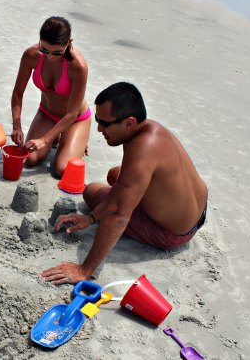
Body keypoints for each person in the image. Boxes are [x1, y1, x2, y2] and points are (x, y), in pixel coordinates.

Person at [41, 82, 208, 285]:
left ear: (129, 122)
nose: (99, 128)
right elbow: (120, 185)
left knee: (92, 191)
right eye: (97, 119)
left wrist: (84, 270)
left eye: (104, 123)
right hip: (196, 212)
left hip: (173, 233)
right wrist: (92, 218)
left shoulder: (142, 149)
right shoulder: (149, 130)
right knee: (115, 175)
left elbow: (119, 215)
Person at [10, 16, 91, 177]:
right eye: (45, 50)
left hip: (74, 119)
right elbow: (18, 93)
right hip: (47, 113)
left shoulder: (78, 66)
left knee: (62, 169)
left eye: (57, 52)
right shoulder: (31, 55)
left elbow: (72, 113)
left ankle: (75, 137)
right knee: (31, 158)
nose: (50, 56)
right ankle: (59, 137)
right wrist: (17, 126)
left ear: (69, 42)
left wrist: (45, 140)